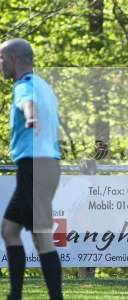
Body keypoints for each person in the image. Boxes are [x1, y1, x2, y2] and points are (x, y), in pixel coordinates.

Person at [0, 38, 63, 300]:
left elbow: (27, 104)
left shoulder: (24, 86)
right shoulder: (45, 86)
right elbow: (57, 130)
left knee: (21, 232)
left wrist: (30, 117)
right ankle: (23, 295)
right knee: (25, 232)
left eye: (1, 58)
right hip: (48, 165)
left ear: (14, 59)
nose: (0, 64)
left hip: (34, 166)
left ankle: (19, 296)